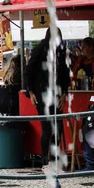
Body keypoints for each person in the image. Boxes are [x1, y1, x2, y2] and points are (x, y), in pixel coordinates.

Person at [25, 28, 70, 171]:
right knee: (47, 129)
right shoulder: (40, 50)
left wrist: (64, 93)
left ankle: (53, 158)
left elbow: (64, 74)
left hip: (55, 93)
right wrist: (31, 92)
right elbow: (29, 72)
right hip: (42, 93)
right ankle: (46, 160)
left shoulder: (60, 51)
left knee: (58, 128)